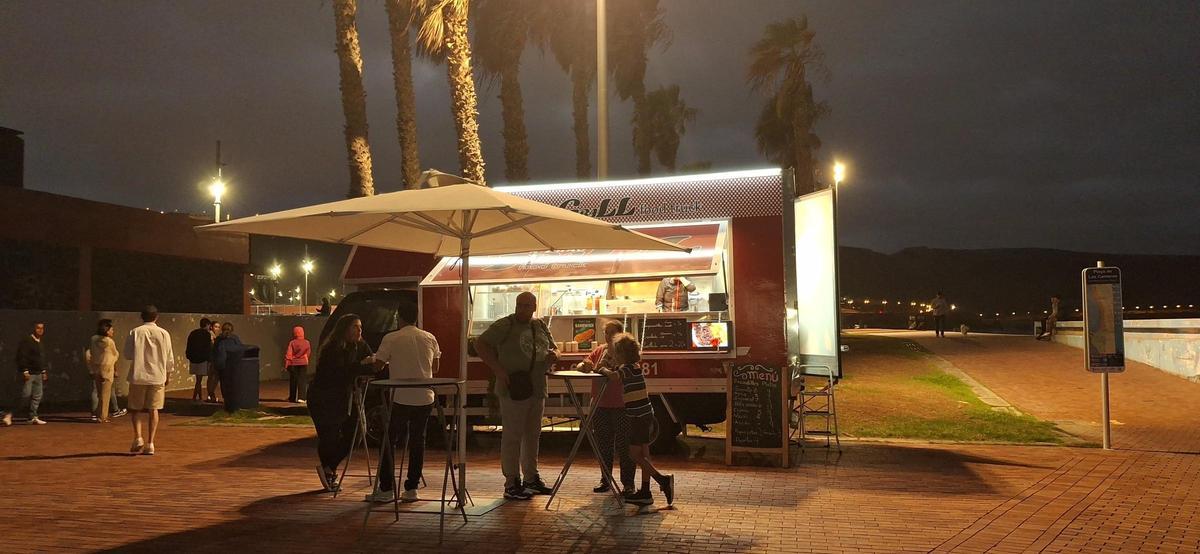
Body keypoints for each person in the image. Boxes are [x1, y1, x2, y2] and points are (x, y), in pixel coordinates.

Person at [475, 291, 559, 501]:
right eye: (519, 305)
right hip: (513, 387)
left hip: (537, 386)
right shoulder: (505, 325)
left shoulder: (539, 325)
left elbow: (555, 348)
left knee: (533, 434)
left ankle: (531, 477)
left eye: (526, 305)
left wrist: (554, 355)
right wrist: (498, 370)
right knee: (513, 435)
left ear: (534, 306)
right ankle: (511, 482)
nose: (521, 309)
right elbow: (480, 344)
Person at [366, 299, 440, 503]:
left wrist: (373, 360)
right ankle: (411, 488)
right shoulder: (429, 337)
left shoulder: (391, 338)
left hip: (400, 397)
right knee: (418, 442)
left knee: (390, 441)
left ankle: (386, 488)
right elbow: (436, 368)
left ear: (399, 317)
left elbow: (378, 366)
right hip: (425, 396)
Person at [598, 334, 675, 507]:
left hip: (637, 416)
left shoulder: (625, 369)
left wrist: (602, 369)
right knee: (644, 453)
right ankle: (645, 492)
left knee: (633, 454)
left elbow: (613, 377)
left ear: (622, 355)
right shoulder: (635, 366)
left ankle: (663, 480)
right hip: (645, 414)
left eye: (616, 353)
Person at [307, 314, 377, 491]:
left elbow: (371, 362)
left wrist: (369, 364)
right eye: (355, 326)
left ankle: (329, 467)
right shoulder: (332, 348)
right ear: (344, 329)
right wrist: (360, 365)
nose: (359, 330)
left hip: (346, 396)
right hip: (324, 397)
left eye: (360, 326)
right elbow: (340, 372)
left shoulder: (360, 345)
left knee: (357, 431)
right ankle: (329, 472)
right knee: (328, 435)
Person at [575, 321, 636, 496]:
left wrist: (603, 370)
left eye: (611, 332)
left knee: (625, 445)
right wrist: (584, 366)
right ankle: (605, 479)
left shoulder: (625, 352)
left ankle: (628, 484)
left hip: (622, 404)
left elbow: (623, 373)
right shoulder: (600, 350)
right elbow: (585, 363)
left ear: (619, 333)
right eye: (605, 332)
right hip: (601, 404)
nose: (607, 336)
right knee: (603, 445)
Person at [123, 306, 173, 455]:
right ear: (156, 317)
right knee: (154, 409)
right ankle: (150, 442)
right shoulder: (164, 333)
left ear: (141, 317)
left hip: (138, 375)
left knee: (135, 409)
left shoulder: (135, 332)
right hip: (157, 375)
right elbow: (169, 358)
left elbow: (127, 354)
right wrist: (168, 375)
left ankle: (138, 437)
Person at [3, 322, 48, 426]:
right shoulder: (27, 341)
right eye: (38, 328)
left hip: (38, 374)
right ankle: (9, 415)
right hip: (29, 373)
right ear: (33, 329)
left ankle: (33, 417)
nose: (40, 330)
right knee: (25, 395)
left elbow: (41, 359)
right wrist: (25, 370)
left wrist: (43, 371)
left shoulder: (40, 342)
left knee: (37, 396)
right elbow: (22, 356)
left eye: (42, 328)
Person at [86, 319, 124, 423]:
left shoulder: (93, 339)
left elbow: (90, 353)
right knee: (106, 394)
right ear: (107, 331)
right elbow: (115, 354)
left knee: (98, 393)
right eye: (111, 330)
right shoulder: (109, 342)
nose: (113, 331)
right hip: (107, 370)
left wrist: (91, 367)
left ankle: (97, 414)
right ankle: (103, 416)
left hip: (96, 368)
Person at [213, 322, 246, 408]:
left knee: (224, 384)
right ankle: (232, 402)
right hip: (233, 365)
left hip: (222, 366)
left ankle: (226, 401)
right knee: (233, 383)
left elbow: (214, 352)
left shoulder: (219, 339)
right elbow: (241, 349)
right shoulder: (234, 338)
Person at [186, 318, 214, 404]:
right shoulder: (207, 334)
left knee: (198, 380)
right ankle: (197, 398)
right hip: (202, 359)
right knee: (199, 380)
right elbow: (208, 347)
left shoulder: (193, 333)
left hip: (193, 359)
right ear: (207, 325)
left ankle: (197, 397)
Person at [284, 326, 311, 403]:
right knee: (302, 380)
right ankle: (302, 398)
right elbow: (308, 353)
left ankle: (292, 397)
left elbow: (289, 354)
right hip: (303, 363)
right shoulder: (307, 342)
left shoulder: (292, 343)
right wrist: (305, 358)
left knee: (293, 381)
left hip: (293, 363)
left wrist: (287, 364)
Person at [206, 321, 222, 403]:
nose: (217, 328)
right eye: (216, 326)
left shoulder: (216, 336)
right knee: (213, 377)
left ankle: (210, 394)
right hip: (212, 359)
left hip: (213, 359)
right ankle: (211, 394)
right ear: (212, 327)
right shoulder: (211, 336)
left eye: (219, 327)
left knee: (213, 377)